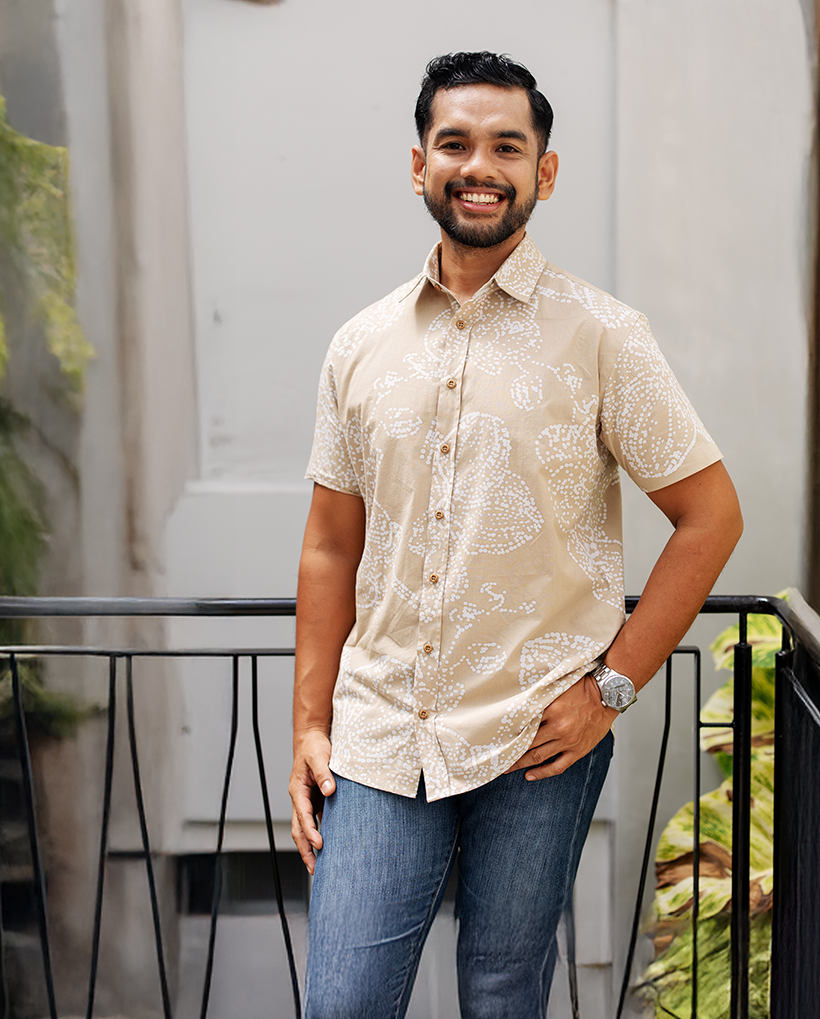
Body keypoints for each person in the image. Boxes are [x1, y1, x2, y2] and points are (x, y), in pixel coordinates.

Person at [289, 51, 742, 1019]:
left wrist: (610, 688)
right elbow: (330, 542)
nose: (479, 166)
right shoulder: (359, 345)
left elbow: (711, 517)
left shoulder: (604, 335)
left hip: (538, 737)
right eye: (455, 143)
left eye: (507, 145)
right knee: (344, 1000)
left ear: (545, 170)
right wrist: (308, 725)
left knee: (502, 993)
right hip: (380, 737)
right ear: (420, 166)